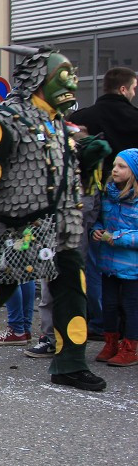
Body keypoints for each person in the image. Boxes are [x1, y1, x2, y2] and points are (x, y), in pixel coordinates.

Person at [0, 46, 110, 392]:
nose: (72, 84)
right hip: (20, 226)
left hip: (63, 225)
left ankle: (70, 363)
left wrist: (88, 162)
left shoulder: (59, 125)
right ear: (38, 80)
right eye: (63, 77)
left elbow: (64, 173)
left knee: (72, 289)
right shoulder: (4, 120)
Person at [69, 67, 138, 342]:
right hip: (128, 195)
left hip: (91, 194)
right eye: (133, 88)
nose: (134, 93)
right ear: (123, 89)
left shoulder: (81, 118)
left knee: (92, 262)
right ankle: (118, 324)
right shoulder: (134, 119)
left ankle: (99, 321)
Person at [91, 149, 138, 367]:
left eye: (122, 166)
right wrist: (97, 231)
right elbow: (100, 221)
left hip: (132, 267)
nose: (115, 170)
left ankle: (130, 348)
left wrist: (117, 237)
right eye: (115, 166)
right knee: (108, 305)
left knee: (130, 307)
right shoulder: (108, 195)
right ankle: (111, 343)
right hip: (108, 263)